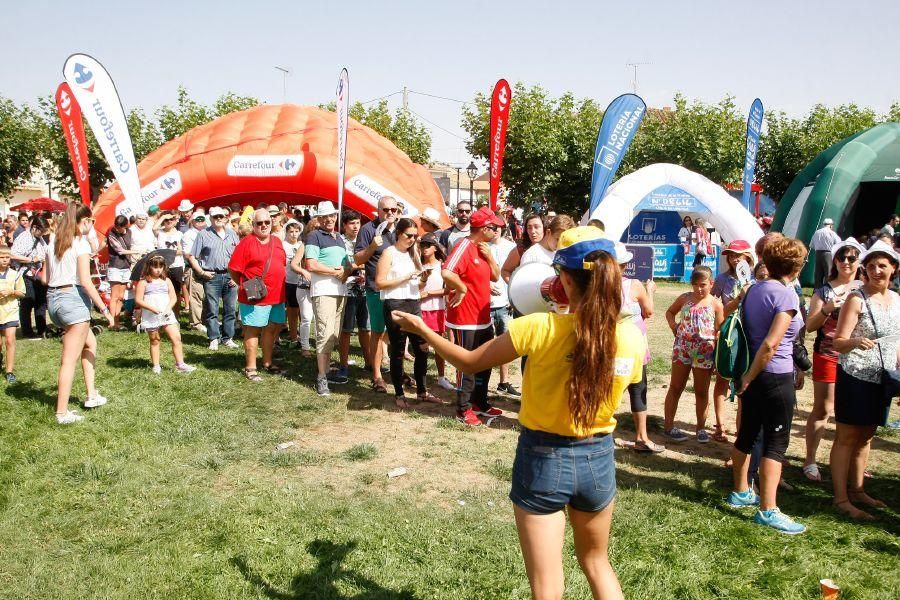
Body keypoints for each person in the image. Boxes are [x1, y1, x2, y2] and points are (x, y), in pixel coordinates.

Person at [391, 226, 644, 599]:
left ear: (565, 281)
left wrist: (421, 329)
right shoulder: (632, 339)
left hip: (544, 458)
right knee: (597, 562)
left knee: (547, 584)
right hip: (598, 458)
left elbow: (470, 361)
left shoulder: (537, 327)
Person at [727, 237, 807, 535]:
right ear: (796, 267)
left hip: (753, 372)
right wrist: (750, 375)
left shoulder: (753, 289)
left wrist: (747, 376)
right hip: (774, 374)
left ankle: (740, 491)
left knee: (746, 433)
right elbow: (772, 344)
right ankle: (768, 509)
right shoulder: (786, 296)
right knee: (776, 443)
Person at [830, 239, 898, 520]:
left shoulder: (896, 300)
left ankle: (858, 490)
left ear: (893, 268)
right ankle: (841, 498)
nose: (876, 271)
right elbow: (838, 342)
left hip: (882, 378)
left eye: (882, 266)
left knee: (867, 436)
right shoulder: (856, 299)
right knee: (847, 437)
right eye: (870, 266)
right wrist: (856, 341)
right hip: (855, 376)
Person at [43, 203, 113, 424]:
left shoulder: (53, 241)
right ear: (81, 222)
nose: (91, 226)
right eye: (90, 222)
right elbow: (86, 281)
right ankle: (62, 413)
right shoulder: (80, 244)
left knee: (90, 343)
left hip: (53, 301)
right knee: (68, 360)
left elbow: (44, 278)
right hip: (72, 300)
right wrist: (105, 310)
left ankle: (92, 395)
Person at [803, 238, 863, 482]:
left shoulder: (864, 289)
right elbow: (809, 326)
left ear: (859, 262)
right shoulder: (824, 291)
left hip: (859, 359)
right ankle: (810, 460)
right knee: (823, 408)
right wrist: (827, 308)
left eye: (852, 258)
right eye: (842, 257)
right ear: (834, 261)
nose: (846, 262)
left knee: (851, 412)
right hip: (828, 354)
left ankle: (848, 462)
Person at [442, 206, 504, 425]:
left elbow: (496, 277)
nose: (497, 230)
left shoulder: (484, 248)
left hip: (482, 317)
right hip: (465, 319)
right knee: (466, 365)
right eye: (494, 227)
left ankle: (480, 402)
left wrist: (489, 257)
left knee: (484, 363)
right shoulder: (464, 246)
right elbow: (447, 271)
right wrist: (462, 288)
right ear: (485, 228)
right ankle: (463, 408)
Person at [375, 217, 441, 407]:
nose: (412, 239)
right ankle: (399, 393)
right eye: (408, 235)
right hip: (395, 302)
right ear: (398, 234)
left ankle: (422, 391)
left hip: (413, 302)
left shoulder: (414, 254)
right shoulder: (389, 253)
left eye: (415, 236)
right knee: (397, 350)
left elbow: (417, 283)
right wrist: (405, 277)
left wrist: (424, 279)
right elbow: (380, 282)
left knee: (422, 348)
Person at [662, 266, 724, 442]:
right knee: (675, 386)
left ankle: (700, 429)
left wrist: (716, 352)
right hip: (683, 349)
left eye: (703, 285)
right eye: (695, 284)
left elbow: (719, 330)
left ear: (711, 284)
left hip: (705, 352)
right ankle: (668, 426)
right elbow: (669, 312)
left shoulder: (715, 304)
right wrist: (673, 326)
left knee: (701, 391)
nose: (699, 289)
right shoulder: (684, 298)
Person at [229, 208, 288, 381]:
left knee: (272, 329)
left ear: (271, 222)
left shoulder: (277, 241)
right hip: (255, 296)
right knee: (253, 331)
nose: (263, 226)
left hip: (277, 295)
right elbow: (233, 269)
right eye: (259, 223)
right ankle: (250, 367)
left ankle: (267, 362)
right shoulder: (246, 242)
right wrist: (246, 284)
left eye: (266, 222)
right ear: (253, 224)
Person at [614, 243, 663, 452]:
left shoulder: (596, 285)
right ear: (626, 264)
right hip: (633, 344)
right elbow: (649, 311)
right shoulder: (634, 285)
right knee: (638, 387)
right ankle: (641, 437)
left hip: (608, 344)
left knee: (609, 389)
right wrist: (650, 291)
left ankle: (598, 432)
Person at [710, 240, 756, 443]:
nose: (735, 258)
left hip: (749, 334)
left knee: (745, 384)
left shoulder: (757, 278)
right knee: (722, 377)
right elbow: (713, 308)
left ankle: (742, 430)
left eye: (739, 254)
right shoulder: (722, 279)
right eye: (731, 254)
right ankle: (720, 426)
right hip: (728, 333)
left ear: (748, 256)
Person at [305, 201, 350, 396]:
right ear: (319, 219)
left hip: (340, 291)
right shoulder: (315, 236)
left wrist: (347, 272)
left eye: (332, 215)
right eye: (324, 217)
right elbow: (311, 265)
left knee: (333, 335)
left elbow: (346, 265)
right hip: (324, 291)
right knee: (324, 334)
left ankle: (325, 371)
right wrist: (335, 272)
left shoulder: (339, 237)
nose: (329, 219)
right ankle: (321, 378)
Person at [355, 196, 399, 392]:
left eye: (393, 210)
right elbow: (358, 259)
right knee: (378, 332)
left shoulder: (400, 229)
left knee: (397, 332)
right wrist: (373, 246)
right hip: (376, 289)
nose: (389, 213)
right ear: (378, 210)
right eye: (385, 209)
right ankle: (377, 375)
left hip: (398, 289)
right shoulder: (367, 229)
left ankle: (397, 371)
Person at [188, 206, 240, 351]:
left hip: (230, 275)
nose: (218, 219)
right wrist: (201, 272)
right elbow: (192, 256)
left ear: (225, 218)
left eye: (221, 217)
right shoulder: (203, 234)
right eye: (215, 217)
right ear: (210, 218)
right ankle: (213, 338)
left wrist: (236, 276)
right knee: (212, 309)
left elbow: (239, 256)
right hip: (212, 275)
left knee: (230, 309)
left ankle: (228, 338)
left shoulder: (232, 234)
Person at [134, 255, 195, 374]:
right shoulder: (144, 282)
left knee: (176, 337)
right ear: (149, 267)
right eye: (155, 266)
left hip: (166, 314)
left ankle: (180, 363)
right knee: (155, 340)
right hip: (151, 314)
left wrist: (168, 308)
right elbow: (138, 300)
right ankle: (156, 365)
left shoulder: (166, 281)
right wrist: (151, 308)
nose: (158, 269)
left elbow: (173, 297)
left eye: (161, 266)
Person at [337, 211, 370, 380]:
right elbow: (341, 266)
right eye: (352, 223)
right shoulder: (339, 242)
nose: (356, 226)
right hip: (347, 291)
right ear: (344, 225)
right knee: (346, 330)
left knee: (366, 329)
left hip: (365, 291)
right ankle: (343, 365)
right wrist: (354, 271)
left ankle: (370, 363)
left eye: (357, 223)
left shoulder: (363, 240)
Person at [419, 232, 454, 390]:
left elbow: (447, 290)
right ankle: (421, 377)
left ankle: (441, 377)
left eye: (428, 245)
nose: (425, 248)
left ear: (435, 248)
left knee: (438, 344)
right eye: (422, 245)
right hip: (419, 309)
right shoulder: (418, 265)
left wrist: (428, 293)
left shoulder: (442, 266)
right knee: (421, 345)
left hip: (437, 309)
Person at [489, 222, 520, 398]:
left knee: (506, 344)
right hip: (485, 303)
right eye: (492, 227)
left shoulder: (512, 247)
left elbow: (514, 272)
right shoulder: (483, 246)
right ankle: (481, 381)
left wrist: (513, 296)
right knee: (484, 345)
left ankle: (504, 382)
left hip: (504, 303)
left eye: (498, 227)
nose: (495, 231)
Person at [10, 216, 50, 338]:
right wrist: (32, 259)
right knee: (28, 302)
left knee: (41, 302)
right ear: (34, 228)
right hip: (26, 274)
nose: (43, 233)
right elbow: (12, 255)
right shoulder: (24, 237)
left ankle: (41, 329)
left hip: (37, 274)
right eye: (42, 230)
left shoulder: (40, 238)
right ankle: (27, 331)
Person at [0, 246, 25, 383]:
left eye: (7, 257)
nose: (4, 260)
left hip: (11, 311)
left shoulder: (15, 274)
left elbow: (22, 293)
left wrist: (11, 291)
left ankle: (9, 371)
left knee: (10, 340)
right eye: (2, 257)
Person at [181, 211, 208, 333]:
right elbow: (188, 254)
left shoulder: (207, 232)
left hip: (206, 267)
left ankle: (204, 319)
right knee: (196, 295)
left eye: (202, 219)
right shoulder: (188, 234)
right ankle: (195, 322)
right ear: (192, 221)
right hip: (193, 267)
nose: (201, 221)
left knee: (205, 295)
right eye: (198, 219)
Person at [282, 220, 306, 348]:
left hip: (302, 282)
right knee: (292, 310)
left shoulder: (302, 244)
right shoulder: (283, 245)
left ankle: (304, 335)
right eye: (291, 231)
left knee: (304, 311)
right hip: (289, 281)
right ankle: (293, 335)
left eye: (296, 231)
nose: (294, 234)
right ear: (286, 232)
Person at [501, 213, 545, 281]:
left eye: (536, 227)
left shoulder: (553, 248)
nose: (533, 231)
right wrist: (516, 288)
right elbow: (505, 271)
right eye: (529, 228)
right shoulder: (521, 250)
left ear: (544, 228)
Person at [156, 213, 185, 313]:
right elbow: (154, 228)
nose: (168, 222)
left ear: (175, 221)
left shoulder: (179, 234)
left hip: (176, 265)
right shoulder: (160, 233)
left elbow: (182, 251)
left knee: (176, 292)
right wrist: (164, 216)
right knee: (163, 291)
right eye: (166, 220)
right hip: (162, 266)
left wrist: (167, 253)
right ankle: (163, 313)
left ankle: (176, 316)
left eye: (171, 220)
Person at [809, 218, 841, 287]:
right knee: (828, 273)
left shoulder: (817, 232)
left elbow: (811, 245)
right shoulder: (832, 233)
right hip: (828, 254)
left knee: (818, 274)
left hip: (818, 253)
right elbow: (839, 244)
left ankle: (817, 291)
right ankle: (827, 290)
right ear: (830, 225)